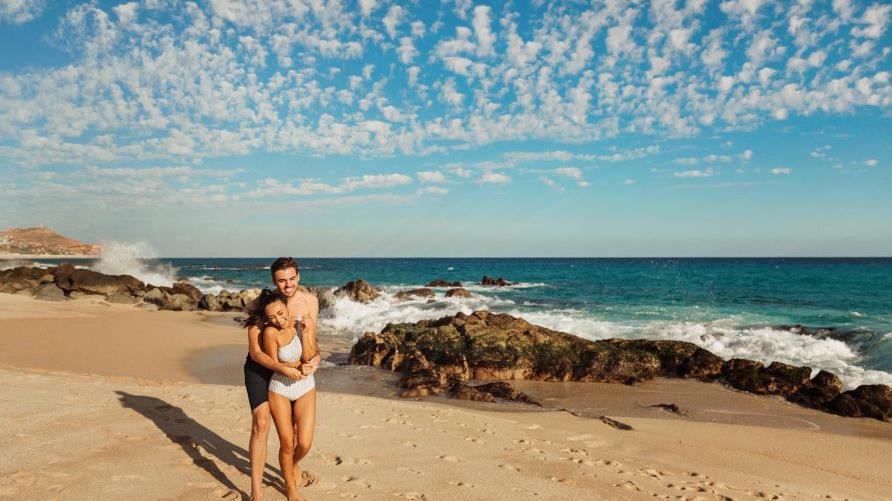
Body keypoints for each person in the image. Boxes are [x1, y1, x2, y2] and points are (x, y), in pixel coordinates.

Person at [243, 258, 320, 501]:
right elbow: (256, 353)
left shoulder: (309, 302)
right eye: (281, 280)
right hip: (260, 367)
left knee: (298, 435)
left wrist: (316, 359)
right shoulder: (265, 306)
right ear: (274, 282)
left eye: (291, 278)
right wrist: (282, 369)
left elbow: (312, 341)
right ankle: (256, 491)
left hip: (292, 368)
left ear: (299, 276)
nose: (287, 285)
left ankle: (291, 468)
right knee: (262, 423)